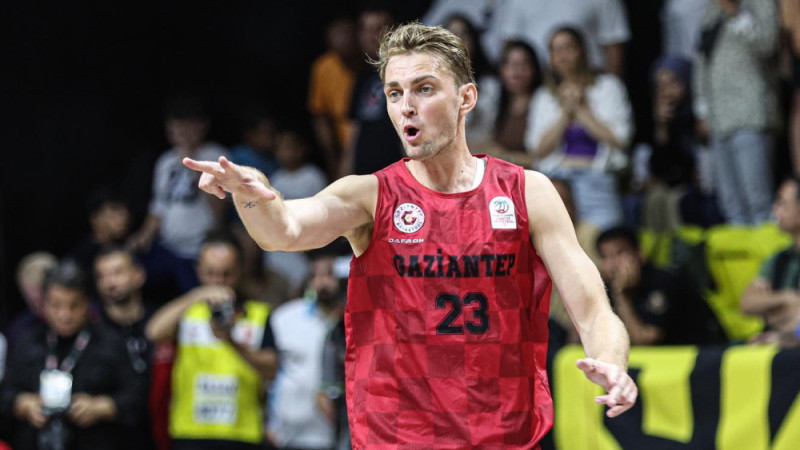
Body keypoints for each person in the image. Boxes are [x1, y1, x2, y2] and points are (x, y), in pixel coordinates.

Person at [184, 23, 637, 447]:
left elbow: (593, 311)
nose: (406, 107)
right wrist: (250, 193)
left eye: (424, 89)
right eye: (394, 92)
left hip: (504, 435)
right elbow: (283, 230)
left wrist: (613, 364)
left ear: (466, 98)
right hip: (399, 438)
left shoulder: (526, 192)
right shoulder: (370, 196)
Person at [145, 232, 275, 450]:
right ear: (198, 270)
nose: (218, 282)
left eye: (226, 274)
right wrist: (196, 296)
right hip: (191, 432)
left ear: (240, 270)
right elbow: (153, 332)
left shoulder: (257, 314)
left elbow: (271, 369)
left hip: (242, 434)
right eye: (211, 273)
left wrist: (231, 341)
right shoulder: (187, 312)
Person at [0, 261, 145, 450]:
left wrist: (103, 406)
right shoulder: (25, 342)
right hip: (35, 440)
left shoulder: (111, 343)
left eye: (74, 306)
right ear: (44, 304)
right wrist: (23, 404)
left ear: (88, 304)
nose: (65, 315)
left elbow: (136, 395)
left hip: (95, 440)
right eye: (56, 305)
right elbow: (6, 392)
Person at [527, 26, 633, 231]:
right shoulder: (543, 96)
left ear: (582, 51)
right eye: (555, 50)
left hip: (598, 178)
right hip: (557, 179)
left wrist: (582, 110)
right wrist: (565, 114)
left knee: (603, 239)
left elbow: (621, 140)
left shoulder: (608, 87)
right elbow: (537, 150)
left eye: (568, 47)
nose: (562, 55)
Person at [693, 0, 780, 225]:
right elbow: (701, 60)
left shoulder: (761, 3)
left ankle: (766, 247)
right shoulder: (712, 9)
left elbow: (768, 45)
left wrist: (735, 12)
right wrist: (701, 109)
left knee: (758, 199)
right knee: (730, 204)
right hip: (718, 117)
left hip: (751, 113)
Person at [266, 250, 345, 449]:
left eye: (330, 274)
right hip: (289, 432)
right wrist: (268, 421)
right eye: (316, 275)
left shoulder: (357, 321)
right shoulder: (284, 318)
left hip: (340, 432)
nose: (323, 282)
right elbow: (270, 370)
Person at [597, 226, 726, 346]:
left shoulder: (664, 282)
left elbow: (645, 342)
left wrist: (622, 296)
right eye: (605, 256)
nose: (613, 264)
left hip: (706, 353)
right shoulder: (605, 288)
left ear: (639, 254)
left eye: (620, 253)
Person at [484, 0, 630, 77]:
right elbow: (510, 44)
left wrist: (613, 89)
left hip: (590, 85)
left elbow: (614, 45)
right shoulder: (515, 2)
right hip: (536, 87)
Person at [741, 177, 800, 346]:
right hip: (778, 344)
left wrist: (791, 335)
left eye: (783, 203)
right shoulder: (779, 258)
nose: (775, 209)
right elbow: (747, 302)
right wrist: (786, 298)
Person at [471, 39, 543, 168]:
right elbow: (484, 143)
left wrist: (503, 156)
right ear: (501, 70)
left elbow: (539, 157)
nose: (516, 71)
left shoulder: (543, 101)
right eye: (510, 64)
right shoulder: (497, 102)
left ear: (534, 68)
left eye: (523, 64)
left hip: (531, 174)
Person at [308, 16, 361, 177]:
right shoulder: (323, 67)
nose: (343, 40)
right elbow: (320, 114)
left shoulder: (370, 62)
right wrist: (332, 157)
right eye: (337, 35)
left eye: (347, 33)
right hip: (343, 148)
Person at [6, 251, 58, 342]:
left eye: (44, 301)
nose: (42, 311)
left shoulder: (83, 319)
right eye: (33, 304)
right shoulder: (19, 329)